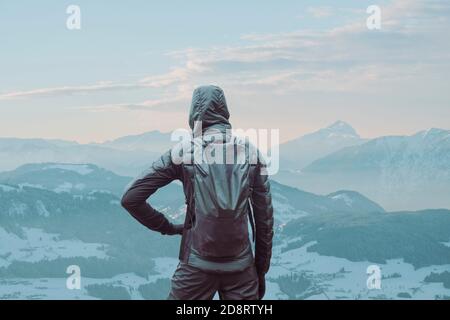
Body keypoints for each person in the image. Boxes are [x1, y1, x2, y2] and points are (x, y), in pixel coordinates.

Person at [121, 85, 274, 300]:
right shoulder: (251, 153)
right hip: (242, 269)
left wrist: (170, 228)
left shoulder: (183, 151)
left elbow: (131, 198)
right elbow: (264, 222)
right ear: (225, 111)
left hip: (195, 267)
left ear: (193, 113)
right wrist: (259, 270)